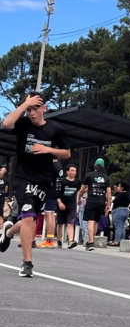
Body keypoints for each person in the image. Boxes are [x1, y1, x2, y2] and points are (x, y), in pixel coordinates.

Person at [1, 93, 71, 276]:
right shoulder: (23, 125)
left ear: (44, 108)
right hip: (23, 177)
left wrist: (47, 149)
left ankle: (8, 232)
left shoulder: (55, 129)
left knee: (28, 220)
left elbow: (67, 153)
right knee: (27, 216)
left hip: (44, 180)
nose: (31, 113)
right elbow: (7, 123)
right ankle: (27, 263)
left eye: (35, 108)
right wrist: (25, 104)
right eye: (29, 109)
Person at [78, 158, 112, 250]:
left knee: (90, 222)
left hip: (91, 201)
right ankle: (91, 240)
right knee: (96, 222)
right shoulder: (106, 177)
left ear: (95, 166)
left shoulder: (89, 175)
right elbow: (108, 193)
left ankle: (90, 242)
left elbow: (82, 189)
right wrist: (108, 205)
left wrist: (79, 199)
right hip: (101, 202)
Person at [39, 158, 64, 248]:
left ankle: (49, 241)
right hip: (56, 191)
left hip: (49, 191)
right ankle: (51, 238)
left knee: (48, 214)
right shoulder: (59, 165)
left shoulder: (52, 165)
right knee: (52, 215)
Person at [57, 164, 81, 248]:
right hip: (62, 205)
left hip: (72, 206)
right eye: (72, 170)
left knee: (70, 223)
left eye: (75, 171)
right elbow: (57, 194)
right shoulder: (62, 181)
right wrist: (60, 203)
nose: (74, 172)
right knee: (60, 224)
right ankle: (59, 240)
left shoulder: (78, 182)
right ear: (67, 172)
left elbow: (79, 191)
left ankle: (71, 241)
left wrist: (79, 199)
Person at [108, 181, 130, 246]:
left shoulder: (120, 194)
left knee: (118, 226)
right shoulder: (128, 194)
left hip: (118, 210)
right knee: (122, 226)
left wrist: (111, 200)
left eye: (119, 186)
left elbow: (115, 201)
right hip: (126, 210)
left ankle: (116, 241)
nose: (118, 187)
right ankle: (122, 240)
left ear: (122, 187)